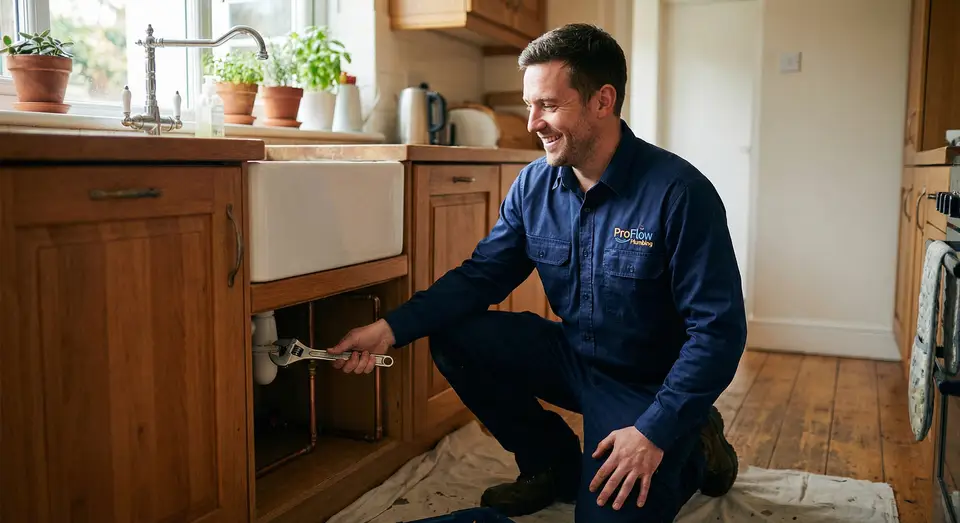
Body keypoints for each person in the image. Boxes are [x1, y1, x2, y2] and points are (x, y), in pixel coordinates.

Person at [327, 23, 747, 523]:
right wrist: (389, 329)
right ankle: (551, 464)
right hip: (575, 356)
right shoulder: (534, 186)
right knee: (456, 336)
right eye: (530, 105)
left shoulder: (679, 194)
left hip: (648, 385)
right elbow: (482, 275)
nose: (532, 123)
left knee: (609, 516)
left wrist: (655, 430)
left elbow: (718, 333)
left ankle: (698, 445)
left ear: (602, 101)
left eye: (547, 105)